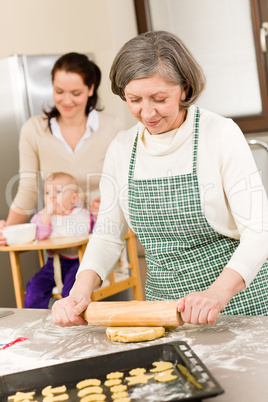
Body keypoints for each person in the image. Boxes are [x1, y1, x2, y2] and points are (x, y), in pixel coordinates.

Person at [52, 31, 268, 327]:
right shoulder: (122, 148)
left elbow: (259, 231)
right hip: (161, 313)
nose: (147, 112)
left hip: (235, 306)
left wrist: (215, 295)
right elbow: (107, 235)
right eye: (134, 99)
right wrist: (79, 292)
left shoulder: (219, 134)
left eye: (159, 98)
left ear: (185, 88)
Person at [0, 52, 123, 245]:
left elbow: (126, 187)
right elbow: (28, 190)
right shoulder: (33, 130)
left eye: (76, 93)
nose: (66, 100)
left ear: (91, 89)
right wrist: (8, 230)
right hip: (59, 239)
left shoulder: (113, 128)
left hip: (105, 233)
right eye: (59, 91)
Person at [24, 172, 95, 309]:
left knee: (72, 289)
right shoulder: (43, 216)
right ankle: (35, 318)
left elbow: (97, 231)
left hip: (79, 262)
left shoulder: (81, 214)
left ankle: (71, 316)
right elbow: (39, 235)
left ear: (73, 198)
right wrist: (47, 214)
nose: (52, 197)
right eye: (47, 193)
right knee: (35, 287)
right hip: (53, 263)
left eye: (58, 191)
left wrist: (97, 212)